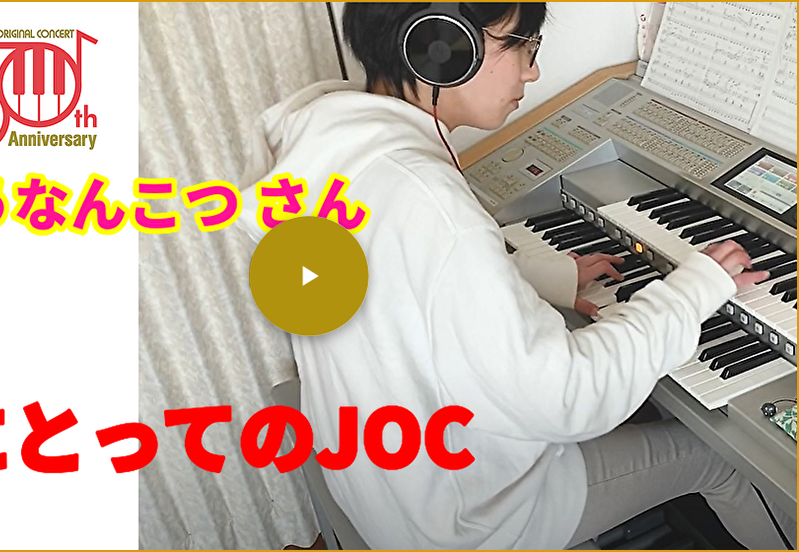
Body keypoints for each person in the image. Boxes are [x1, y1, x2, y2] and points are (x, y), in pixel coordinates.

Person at [234, 3, 793, 549]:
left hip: (383, 478)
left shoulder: (329, 148)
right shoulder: (433, 203)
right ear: (442, 48)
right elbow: (566, 396)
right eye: (522, 44)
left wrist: (544, 275)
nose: (533, 71)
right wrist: (693, 290)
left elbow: (407, 273)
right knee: (719, 459)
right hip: (467, 518)